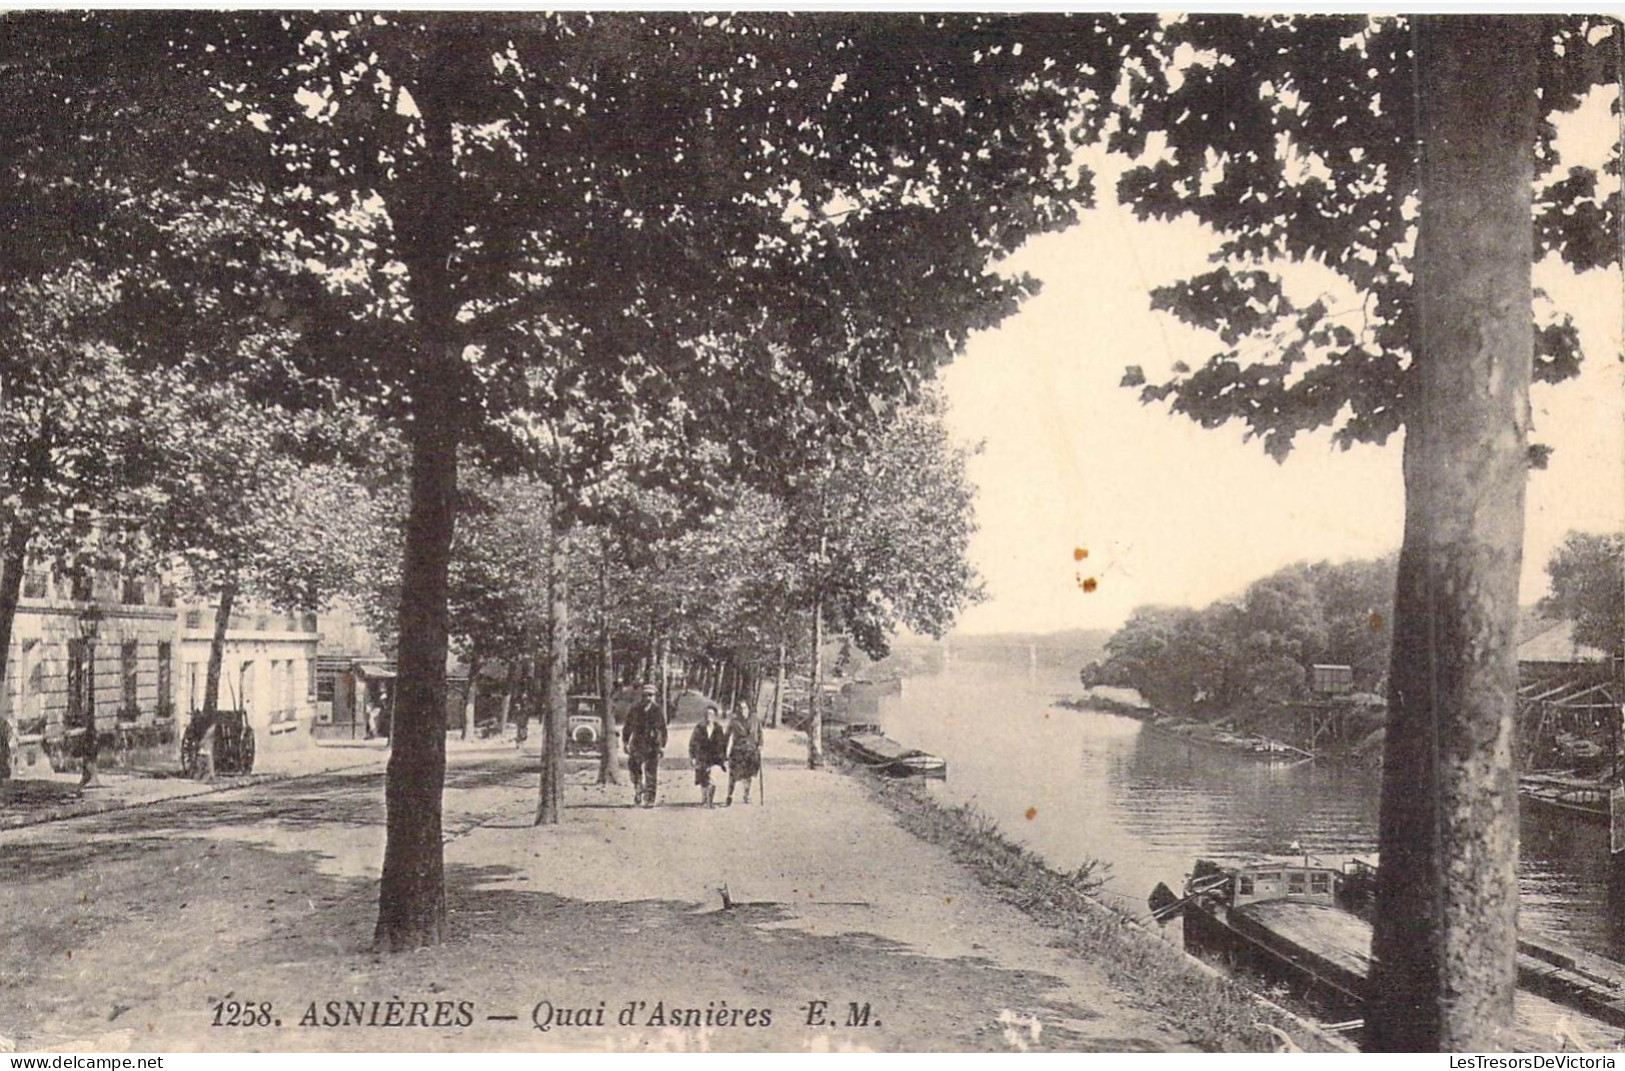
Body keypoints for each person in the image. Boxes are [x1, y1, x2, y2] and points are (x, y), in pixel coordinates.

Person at [622, 682, 668, 808]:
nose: (649, 698)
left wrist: (663, 745)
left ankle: (650, 799)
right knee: (634, 769)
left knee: (651, 772)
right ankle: (638, 788)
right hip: (637, 742)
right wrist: (625, 742)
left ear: (654, 697)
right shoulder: (635, 709)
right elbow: (627, 727)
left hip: (652, 744)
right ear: (642, 696)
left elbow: (663, 729)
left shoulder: (657, 710)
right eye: (646, 695)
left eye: (651, 695)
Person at [688, 703, 729, 809]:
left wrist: (724, 759)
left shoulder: (718, 728)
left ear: (715, 716)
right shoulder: (699, 727)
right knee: (703, 780)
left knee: (712, 778)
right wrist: (692, 757)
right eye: (706, 714)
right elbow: (693, 743)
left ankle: (710, 802)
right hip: (702, 758)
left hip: (715, 758)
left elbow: (723, 744)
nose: (708, 716)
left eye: (711, 714)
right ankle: (704, 798)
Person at [725, 701, 761, 806]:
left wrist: (760, 744)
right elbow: (726, 736)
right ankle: (729, 795)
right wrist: (723, 751)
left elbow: (760, 733)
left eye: (745, 708)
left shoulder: (755, 719)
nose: (743, 710)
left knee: (748, 774)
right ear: (738, 710)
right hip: (738, 751)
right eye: (740, 708)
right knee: (733, 774)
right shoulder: (734, 721)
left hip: (751, 751)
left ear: (749, 709)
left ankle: (746, 794)